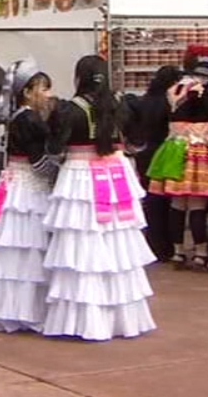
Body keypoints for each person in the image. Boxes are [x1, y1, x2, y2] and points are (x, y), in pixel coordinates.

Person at [42, 55, 156, 340]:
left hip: (80, 179)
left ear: (79, 77)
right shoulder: (122, 106)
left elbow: (55, 150)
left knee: (81, 247)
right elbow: (137, 144)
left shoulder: (70, 109)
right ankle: (123, 320)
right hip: (117, 176)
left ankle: (82, 321)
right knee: (118, 246)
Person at [0, 59, 61, 334]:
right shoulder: (30, 119)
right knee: (29, 249)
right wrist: (58, 174)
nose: (48, 94)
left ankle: (7, 309)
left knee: (14, 251)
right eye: (43, 88)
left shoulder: (17, 118)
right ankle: (28, 311)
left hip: (15, 186)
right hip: (29, 189)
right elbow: (38, 162)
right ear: (27, 91)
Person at [148, 46, 208, 272]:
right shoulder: (202, 90)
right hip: (199, 150)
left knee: (177, 203)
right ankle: (201, 253)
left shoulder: (174, 89)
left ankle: (177, 251)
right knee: (197, 204)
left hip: (173, 148)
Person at [128, 66, 183, 263]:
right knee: (167, 201)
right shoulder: (169, 102)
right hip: (165, 153)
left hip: (145, 153)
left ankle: (153, 244)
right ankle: (167, 246)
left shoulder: (144, 101)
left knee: (151, 201)